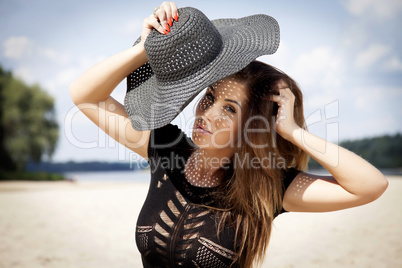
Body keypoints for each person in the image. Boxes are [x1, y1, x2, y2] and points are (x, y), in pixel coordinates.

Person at [69, 2, 388, 267]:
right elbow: (85, 96)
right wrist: (146, 49)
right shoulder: (168, 152)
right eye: (208, 98)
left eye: (230, 109)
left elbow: (370, 186)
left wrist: (292, 132)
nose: (207, 114)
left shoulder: (268, 187)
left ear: (256, 125)